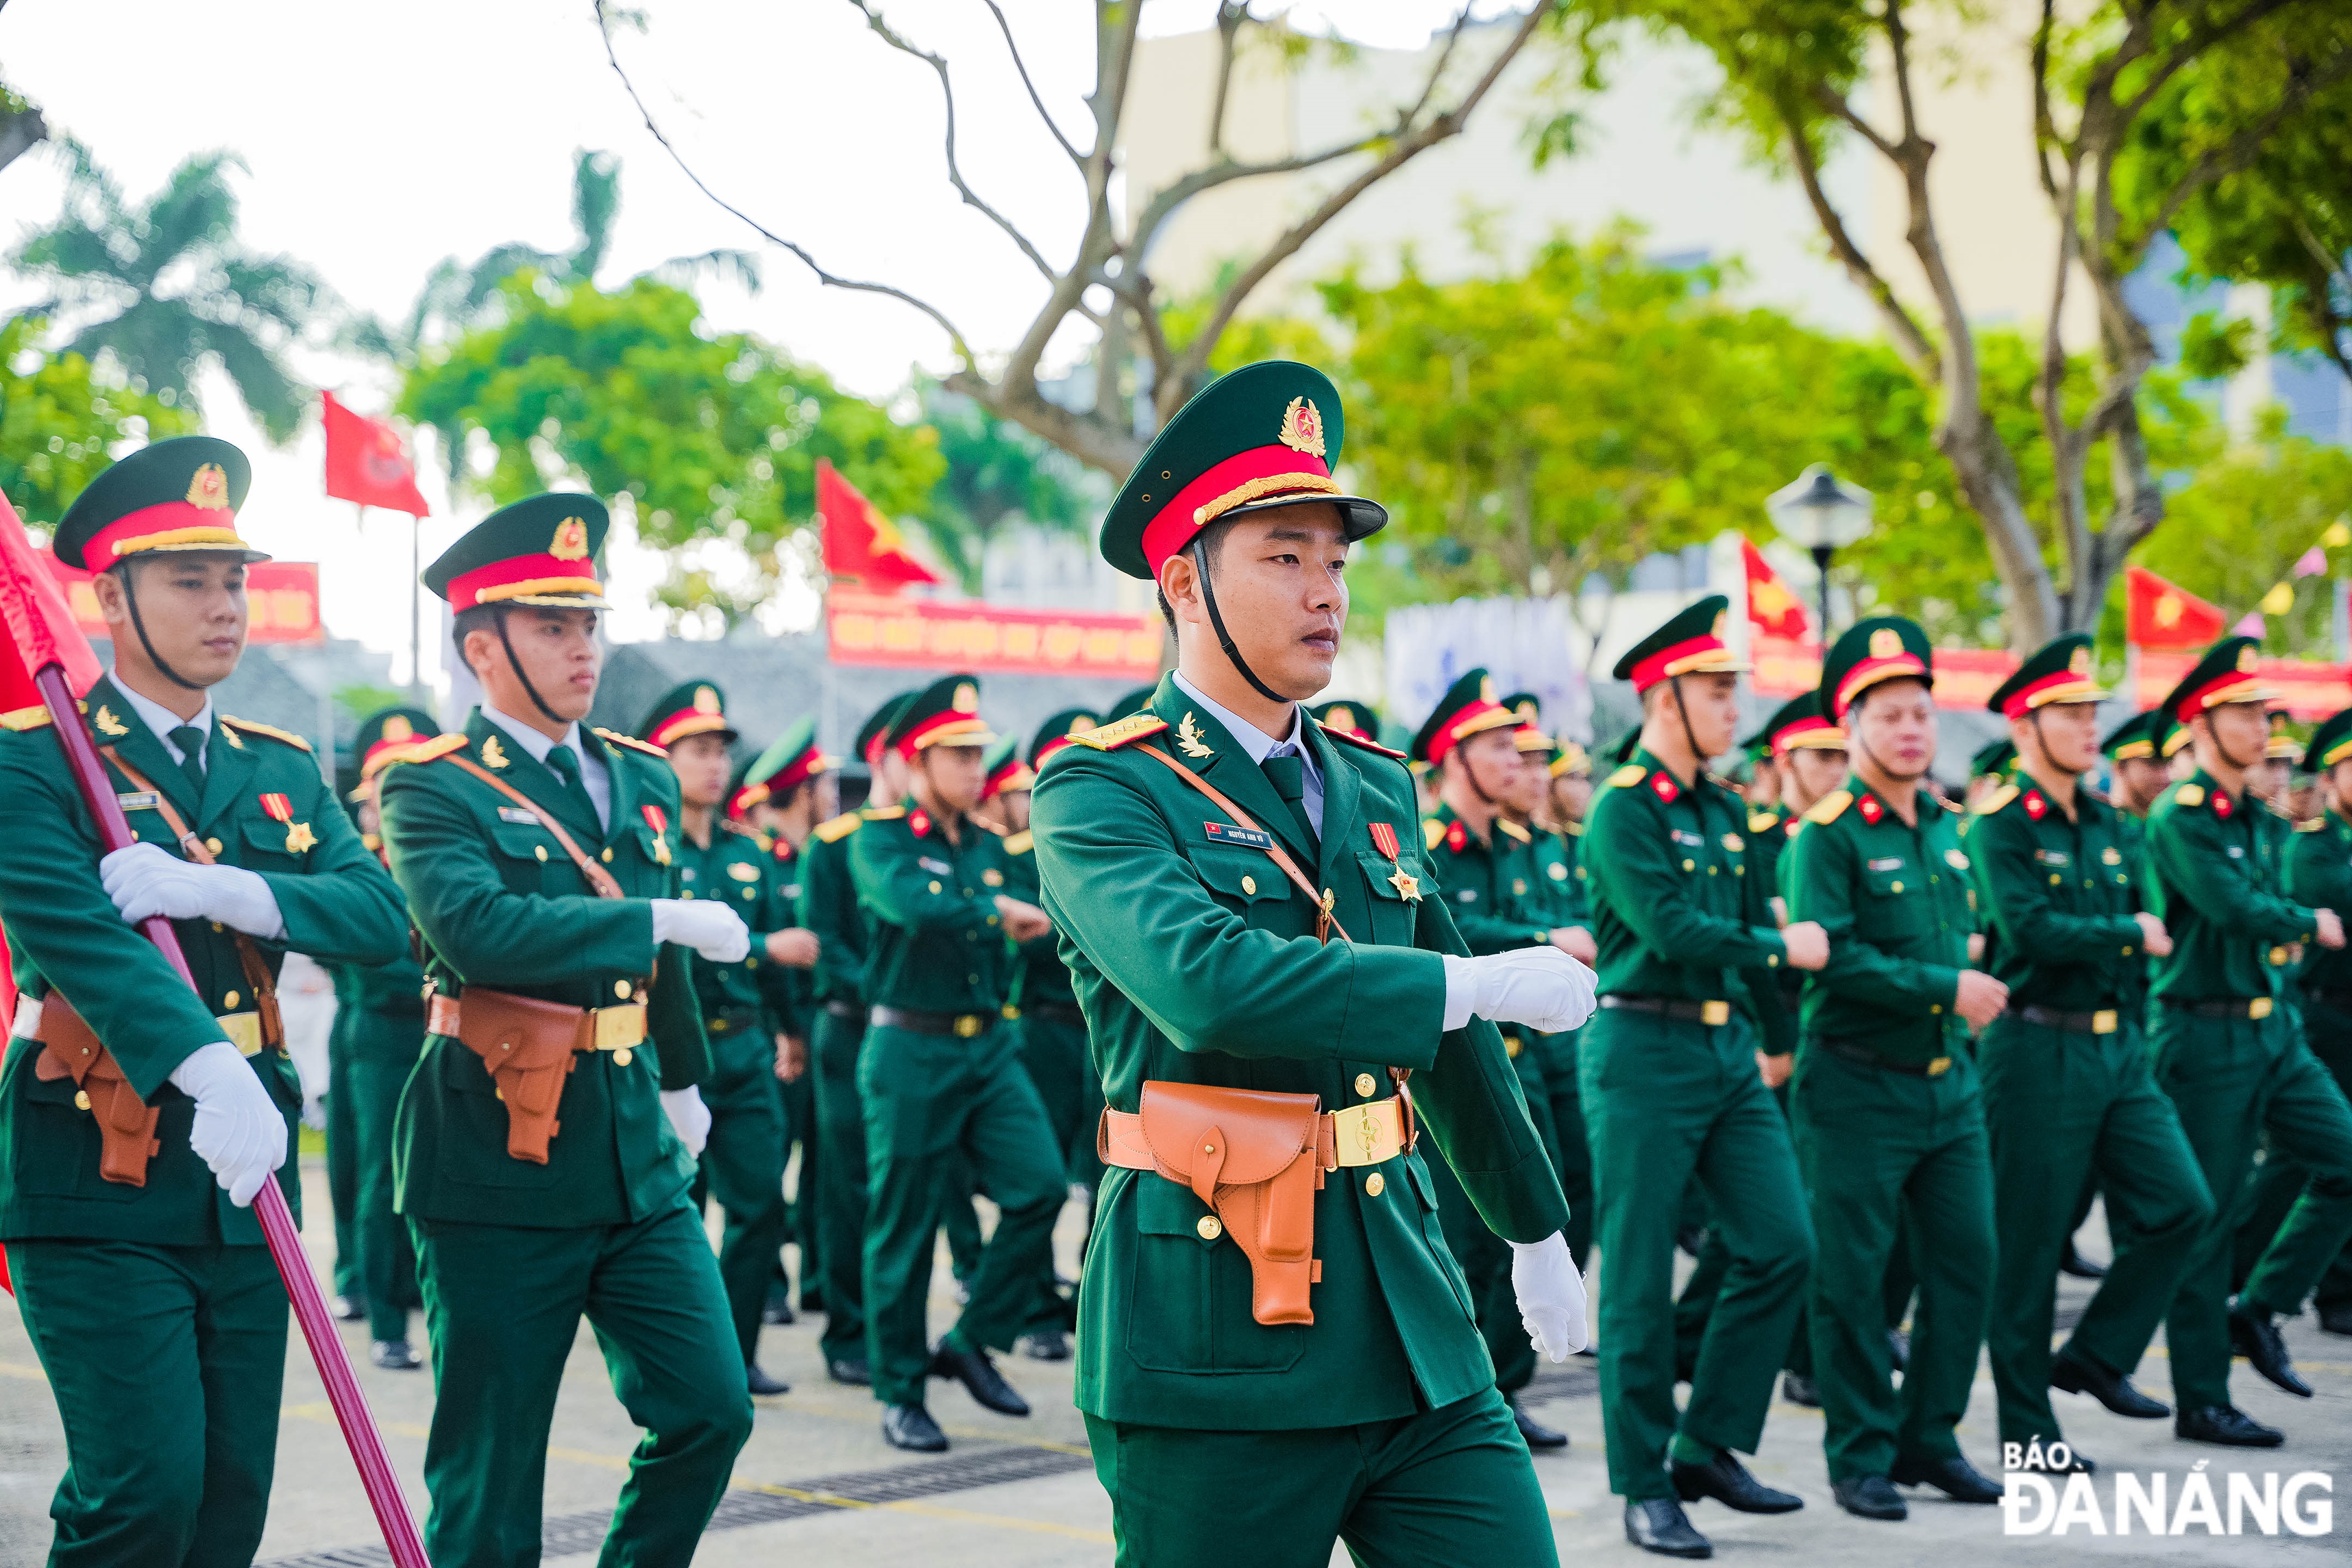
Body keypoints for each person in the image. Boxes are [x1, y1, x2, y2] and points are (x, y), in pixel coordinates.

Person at [1033, 360, 1594, 1567]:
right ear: (1187, 583)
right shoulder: (1100, 787)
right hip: (1216, 1327)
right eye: (1284, 557)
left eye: (1336, 561)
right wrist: (1474, 979)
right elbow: (1209, 983)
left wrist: (1533, 1228)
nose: (1325, 592)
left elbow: (1453, 1046)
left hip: (1408, 1317)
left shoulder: (1373, 783)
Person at [0, 436, 408, 1564]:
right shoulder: (36, 759)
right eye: (190, 580)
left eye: (235, 579)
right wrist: (205, 1061)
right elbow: (76, 937)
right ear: (111, 597)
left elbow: (377, 917)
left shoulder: (278, 765)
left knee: (229, 1501)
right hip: (98, 1163)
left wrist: (232, 889)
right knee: (144, 1494)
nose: (226, 605)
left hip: (246, 1166)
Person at [378, 492, 754, 1566]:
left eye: (588, 621)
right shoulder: (430, 787)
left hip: (633, 1146)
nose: (582, 645)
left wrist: (684, 1082)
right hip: (494, 1149)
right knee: (493, 1478)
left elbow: (663, 964)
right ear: (482, 648)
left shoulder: (640, 773)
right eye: (552, 625)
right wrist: (650, 916)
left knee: (709, 1410)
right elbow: (477, 929)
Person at [1968, 636, 2212, 1474]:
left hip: (2117, 1051)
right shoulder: (2000, 823)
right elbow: (2030, 928)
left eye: (2090, 712)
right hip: (2035, 1047)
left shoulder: (2109, 819)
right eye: (2070, 714)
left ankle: (2098, 1356)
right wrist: (2123, 933)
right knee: (2030, 1247)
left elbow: (2137, 932)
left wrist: (2126, 947)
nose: (2088, 726)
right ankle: (2029, 1431)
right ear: (2026, 726)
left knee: (2183, 1204)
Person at [1785, 616, 2004, 1518]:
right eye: (1889, 716)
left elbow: (1970, 929)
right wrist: (1944, 986)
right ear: (1853, 729)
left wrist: (1959, 985)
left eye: (1921, 713)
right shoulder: (1827, 835)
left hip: (1948, 1089)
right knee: (1855, 1280)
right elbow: (1831, 956)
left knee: (1968, 1262)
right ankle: (1862, 1454)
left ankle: (1931, 1438)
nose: (1911, 729)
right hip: (1855, 1085)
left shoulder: (1949, 829)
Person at [2136, 637, 2352, 1445]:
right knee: (2210, 1216)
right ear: (2201, 723)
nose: (2261, 727)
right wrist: (2308, 924)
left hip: (2273, 1029)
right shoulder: (2179, 817)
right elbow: (2233, 907)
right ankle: (2202, 1397)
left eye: (2263, 712)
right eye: (2242, 713)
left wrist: (2290, 928)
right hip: (2203, 1033)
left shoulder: (2254, 818)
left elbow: (2259, 901)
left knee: (2342, 1160)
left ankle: (2258, 1307)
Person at [849, 672, 1068, 1453]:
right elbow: (911, 905)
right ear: (916, 760)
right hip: (911, 1047)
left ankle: (973, 1339)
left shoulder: (983, 844)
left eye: (980, 753)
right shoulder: (877, 838)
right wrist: (992, 912)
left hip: (988, 1047)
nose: (977, 768)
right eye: (958, 754)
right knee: (903, 1227)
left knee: (1039, 1188)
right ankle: (901, 1389)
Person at [1413, 672, 1584, 1454]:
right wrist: (1534, 945)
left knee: (1546, 1210)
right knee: (1468, 1236)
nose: (1517, 761)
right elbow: (1445, 929)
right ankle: (1457, 1391)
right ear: (1454, 757)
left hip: (1530, 1056)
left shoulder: (1517, 845)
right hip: (1457, 1060)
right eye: (1496, 748)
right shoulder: (1423, 842)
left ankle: (1503, 1387)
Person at [638, 679, 819, 1398]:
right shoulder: (648, 849)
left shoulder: (749, 855)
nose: (715, 766)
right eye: (697, 751)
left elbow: (778, 974)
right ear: (664, 758)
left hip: (744, 1051)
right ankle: (676, 1359)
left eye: (720, 751)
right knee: (672, 1212)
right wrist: (765, 947)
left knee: (759, 1208)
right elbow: (672, 948)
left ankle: (734, 1355)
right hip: (673, 1053)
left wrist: (793, 1035)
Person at [798, 693, 914, 1389]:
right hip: (849, 1028)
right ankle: (847, 1331)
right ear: (886, 761)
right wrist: (884, 990)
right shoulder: (834, 847)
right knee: (849, 1186)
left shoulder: (920, 841)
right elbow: (826, 943)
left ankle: (892, 1331)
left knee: (901, 1191)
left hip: (907, 1035)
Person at [339, 705, 442, 1370]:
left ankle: (425, 1302)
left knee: (439, 1176)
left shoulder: (438, 860)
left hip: (443, 1034)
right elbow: (377, 964)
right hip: (383, 1033)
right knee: (380, 1176)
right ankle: (385, 1321)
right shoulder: (362, 866)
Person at [1001, 709, 1105, 1363]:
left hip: (1098, 1033)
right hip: (1041, 1027)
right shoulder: (1016, 855)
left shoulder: (1110, 841)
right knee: (1039, 1168)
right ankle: (1036, 1307)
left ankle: (1091, 1293)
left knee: (1106, 1165)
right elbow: (1028, 948)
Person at [2257, 707, 2352, 1337]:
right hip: (2327, 1014)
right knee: (2310, 1159)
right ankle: (2333, 1290)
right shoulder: (2310, 847)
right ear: (2333, 777)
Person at [737, 717, 836, 1322]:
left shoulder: (823, 857)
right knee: (768, 1161)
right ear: (802, 791)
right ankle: (769, 1283)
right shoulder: (762, 861)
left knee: (824, 1162)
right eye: (823, 784)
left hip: (819, 1022)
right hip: (777, 1026)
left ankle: (819, 1279)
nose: (831, 795)